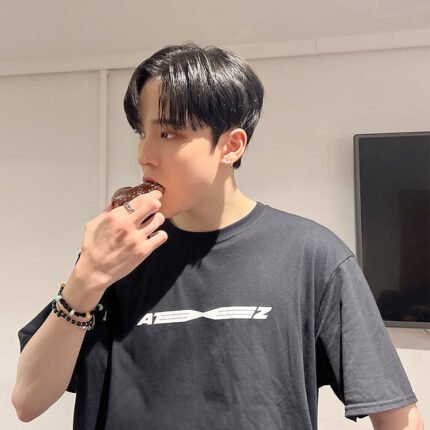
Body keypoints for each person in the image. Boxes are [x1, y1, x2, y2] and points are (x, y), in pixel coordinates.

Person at [12, 43, 424, 430]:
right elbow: (28, 401)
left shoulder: (312, 255)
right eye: (141, 132)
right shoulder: (120, 250)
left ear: (231, 145)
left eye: (168, 133)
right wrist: (88, 277)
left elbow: (399, 418)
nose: (144, 155)